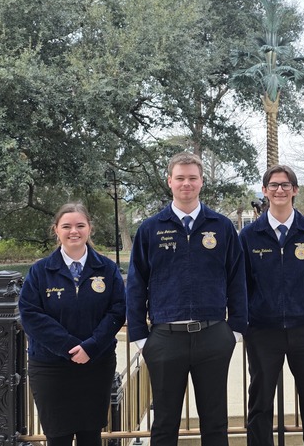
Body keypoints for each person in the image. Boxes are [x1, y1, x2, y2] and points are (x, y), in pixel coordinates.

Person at [125, 152, 247, 446]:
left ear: (201, 182)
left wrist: (236, 329)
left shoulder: (222, 226)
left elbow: (237, 278)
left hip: (213, 335)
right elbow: (135, 283)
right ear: (170, 182)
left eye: (192, 178)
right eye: (180, 178)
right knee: (165, 422)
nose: (186, 184)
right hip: (165, 338)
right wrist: (141, 337)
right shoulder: (151, 229)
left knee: (215, 421)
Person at [18, 203, 126, 446]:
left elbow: (118, 310)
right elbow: (31, 314)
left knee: (91, 435)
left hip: (96, 365)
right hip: (50, 368)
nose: (73, 231)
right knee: (58, 436)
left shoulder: (107, 269)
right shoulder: (40, 271)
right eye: (66, 226)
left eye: (80, 225)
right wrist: (70, 347)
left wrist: (91, 347)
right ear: (56, 230)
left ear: (90, 229)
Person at [239, 164, 304, 446]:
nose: (280, 190)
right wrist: (247, 324)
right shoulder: (249, 236)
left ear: (295, 190)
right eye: (274, 185)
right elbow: (241, 285)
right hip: (263, 331)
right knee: (260, 403)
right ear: (265, 191)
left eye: (285, 185)